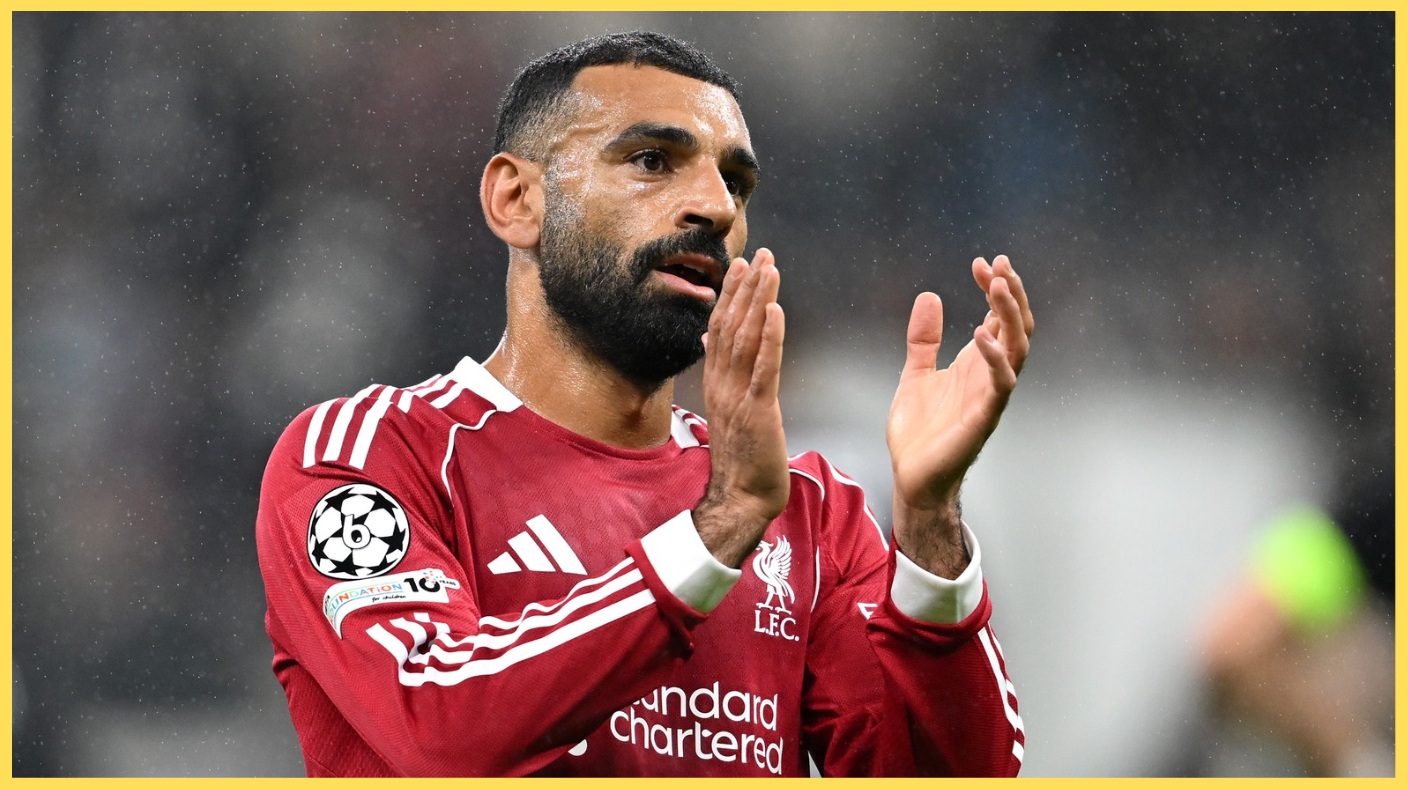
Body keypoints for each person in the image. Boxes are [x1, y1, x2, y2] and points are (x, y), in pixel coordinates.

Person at [255, 31, 1033, 778]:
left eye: (736, 183)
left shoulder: (808, 512)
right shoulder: (370, 457)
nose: (716, 207)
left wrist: (929, 527)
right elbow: (447, 729)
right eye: (652, 160)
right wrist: (717, 531)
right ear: (517, 199)